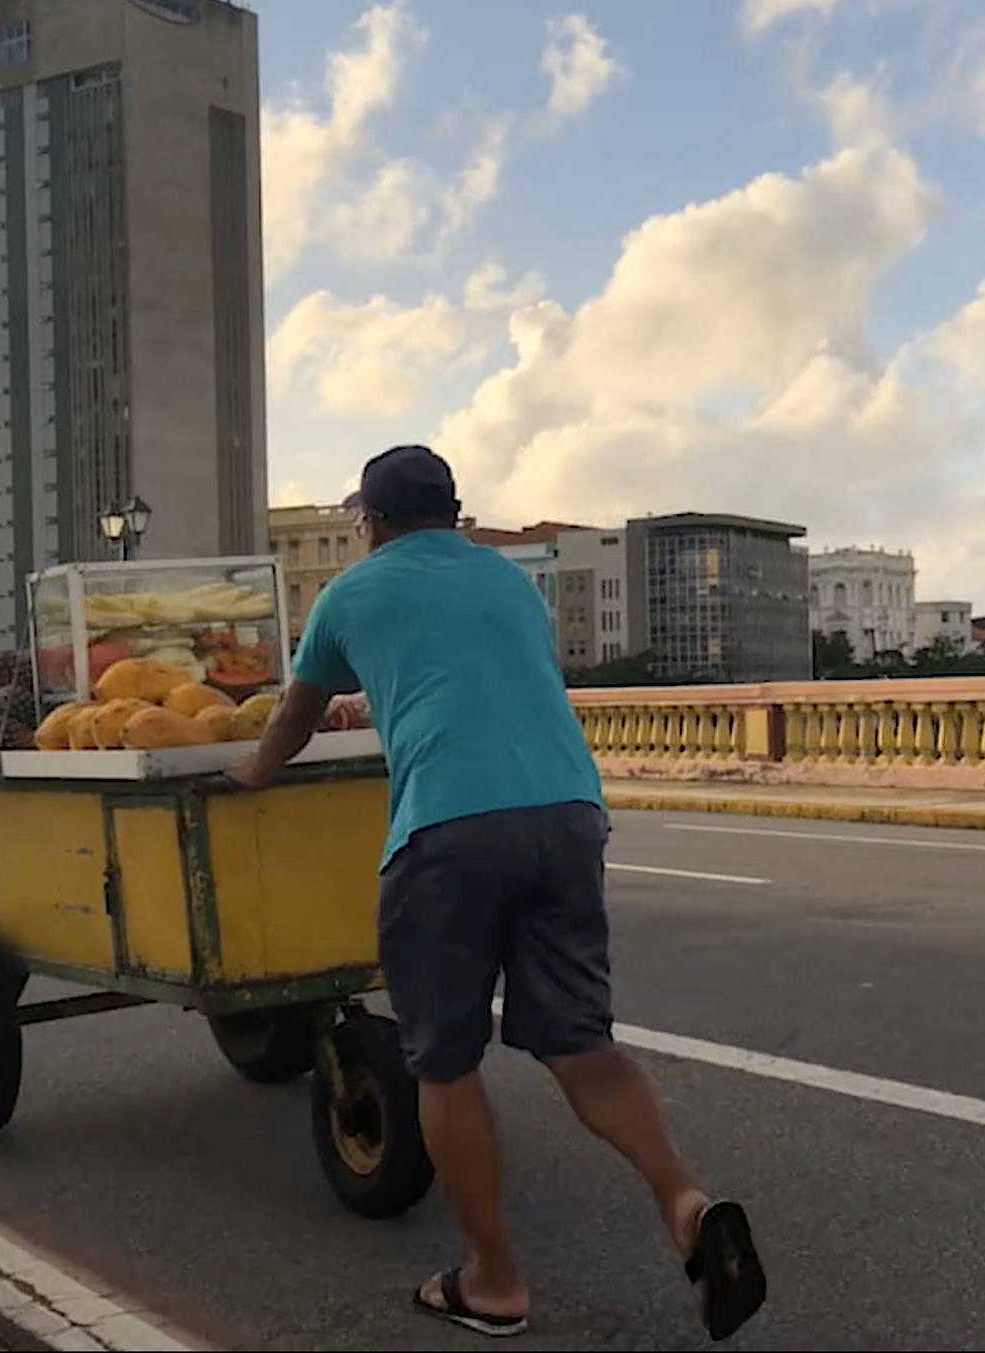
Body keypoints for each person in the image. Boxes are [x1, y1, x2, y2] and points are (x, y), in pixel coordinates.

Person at [227, 445, 765, 1341]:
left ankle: (495, 1279)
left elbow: (295, 713)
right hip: (568, 812)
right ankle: (684, 1199)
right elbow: (473, 676)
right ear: (457, 512)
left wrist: (252, 771)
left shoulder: (347, 596)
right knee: (582, 1045)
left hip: (449, 829)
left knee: (443, 1061)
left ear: (369, 521)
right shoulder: (513, 584)